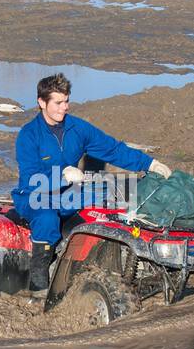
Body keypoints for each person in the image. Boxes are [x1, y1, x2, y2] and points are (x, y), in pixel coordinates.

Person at [13, 73, 172, 292]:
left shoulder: (78, 129)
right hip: (33, 195)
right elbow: (31, 178)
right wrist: (62, 175)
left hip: (69, 192)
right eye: (58, 102)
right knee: (47, 217)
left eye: (66, 101)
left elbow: (113, 149)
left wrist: (150, 164)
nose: (64, 107)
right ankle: (38, 286)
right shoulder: (28, 135)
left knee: (115, 199)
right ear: (42, 102)